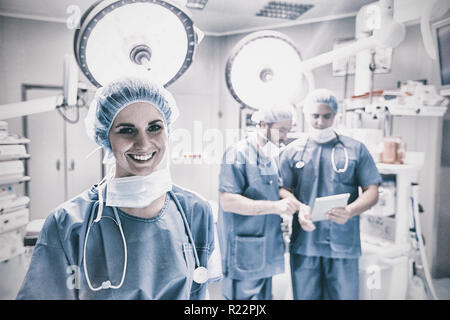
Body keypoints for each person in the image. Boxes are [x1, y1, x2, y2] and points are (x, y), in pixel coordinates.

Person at [17, 77, 216, 300]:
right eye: (126, 130)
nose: (143, 143)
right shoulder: (69, 223)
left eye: (154, 127)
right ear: (105, 137)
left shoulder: (196, 212)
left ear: (167, 130)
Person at [278, 89, 381, 300]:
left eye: (327, 116)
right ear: (307, 116)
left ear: (335, 115)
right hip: (305, 243)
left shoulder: (355, 150)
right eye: (315, 116)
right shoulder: (292, 150)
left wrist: (351, 210)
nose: (320, 122)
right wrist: (299, 207)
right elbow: (282, 189)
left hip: (344, 244)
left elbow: (372, 190)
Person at [217, 106, 299, 300]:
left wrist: (298, 206)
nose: (285, 137)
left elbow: (275, 189)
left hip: (267, 248)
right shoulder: (237, 154)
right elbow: (227, 201)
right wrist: (275, 207)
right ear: (263, 125)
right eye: (282, 130)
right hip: (245, 250)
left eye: (288, 130)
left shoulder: (269, 156)